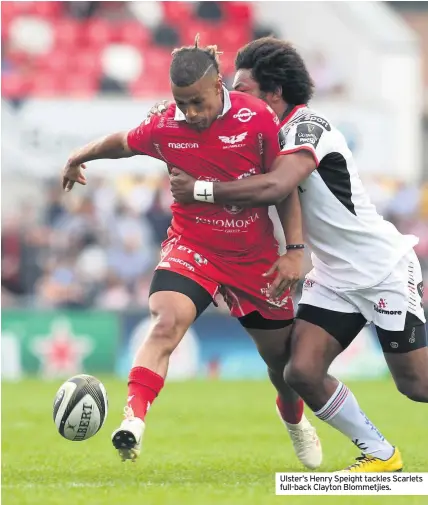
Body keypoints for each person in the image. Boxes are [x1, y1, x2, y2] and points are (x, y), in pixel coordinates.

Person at [168, 37, 428, 472]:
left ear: (275, 93)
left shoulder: (310, 127)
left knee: (417, 384)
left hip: (381, 268)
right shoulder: (256, 136)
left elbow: (275, 187)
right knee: (301, 371)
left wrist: (201, 190)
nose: (233, 97)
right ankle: (382, 456)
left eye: (243, 88)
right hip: (333, 278)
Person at [61, 37, 322, 468]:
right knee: (166, 323)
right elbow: (122, 141)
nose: (192, 113)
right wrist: (77, 155)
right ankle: (133, 420)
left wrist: (294, 250)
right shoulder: (165, 125)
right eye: (183, 104)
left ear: (219, 85)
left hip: (253, 257)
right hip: (192, 246)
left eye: (198, 102)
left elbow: (283, 189)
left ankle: (294, 420)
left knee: (282, 364)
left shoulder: (256, 117)